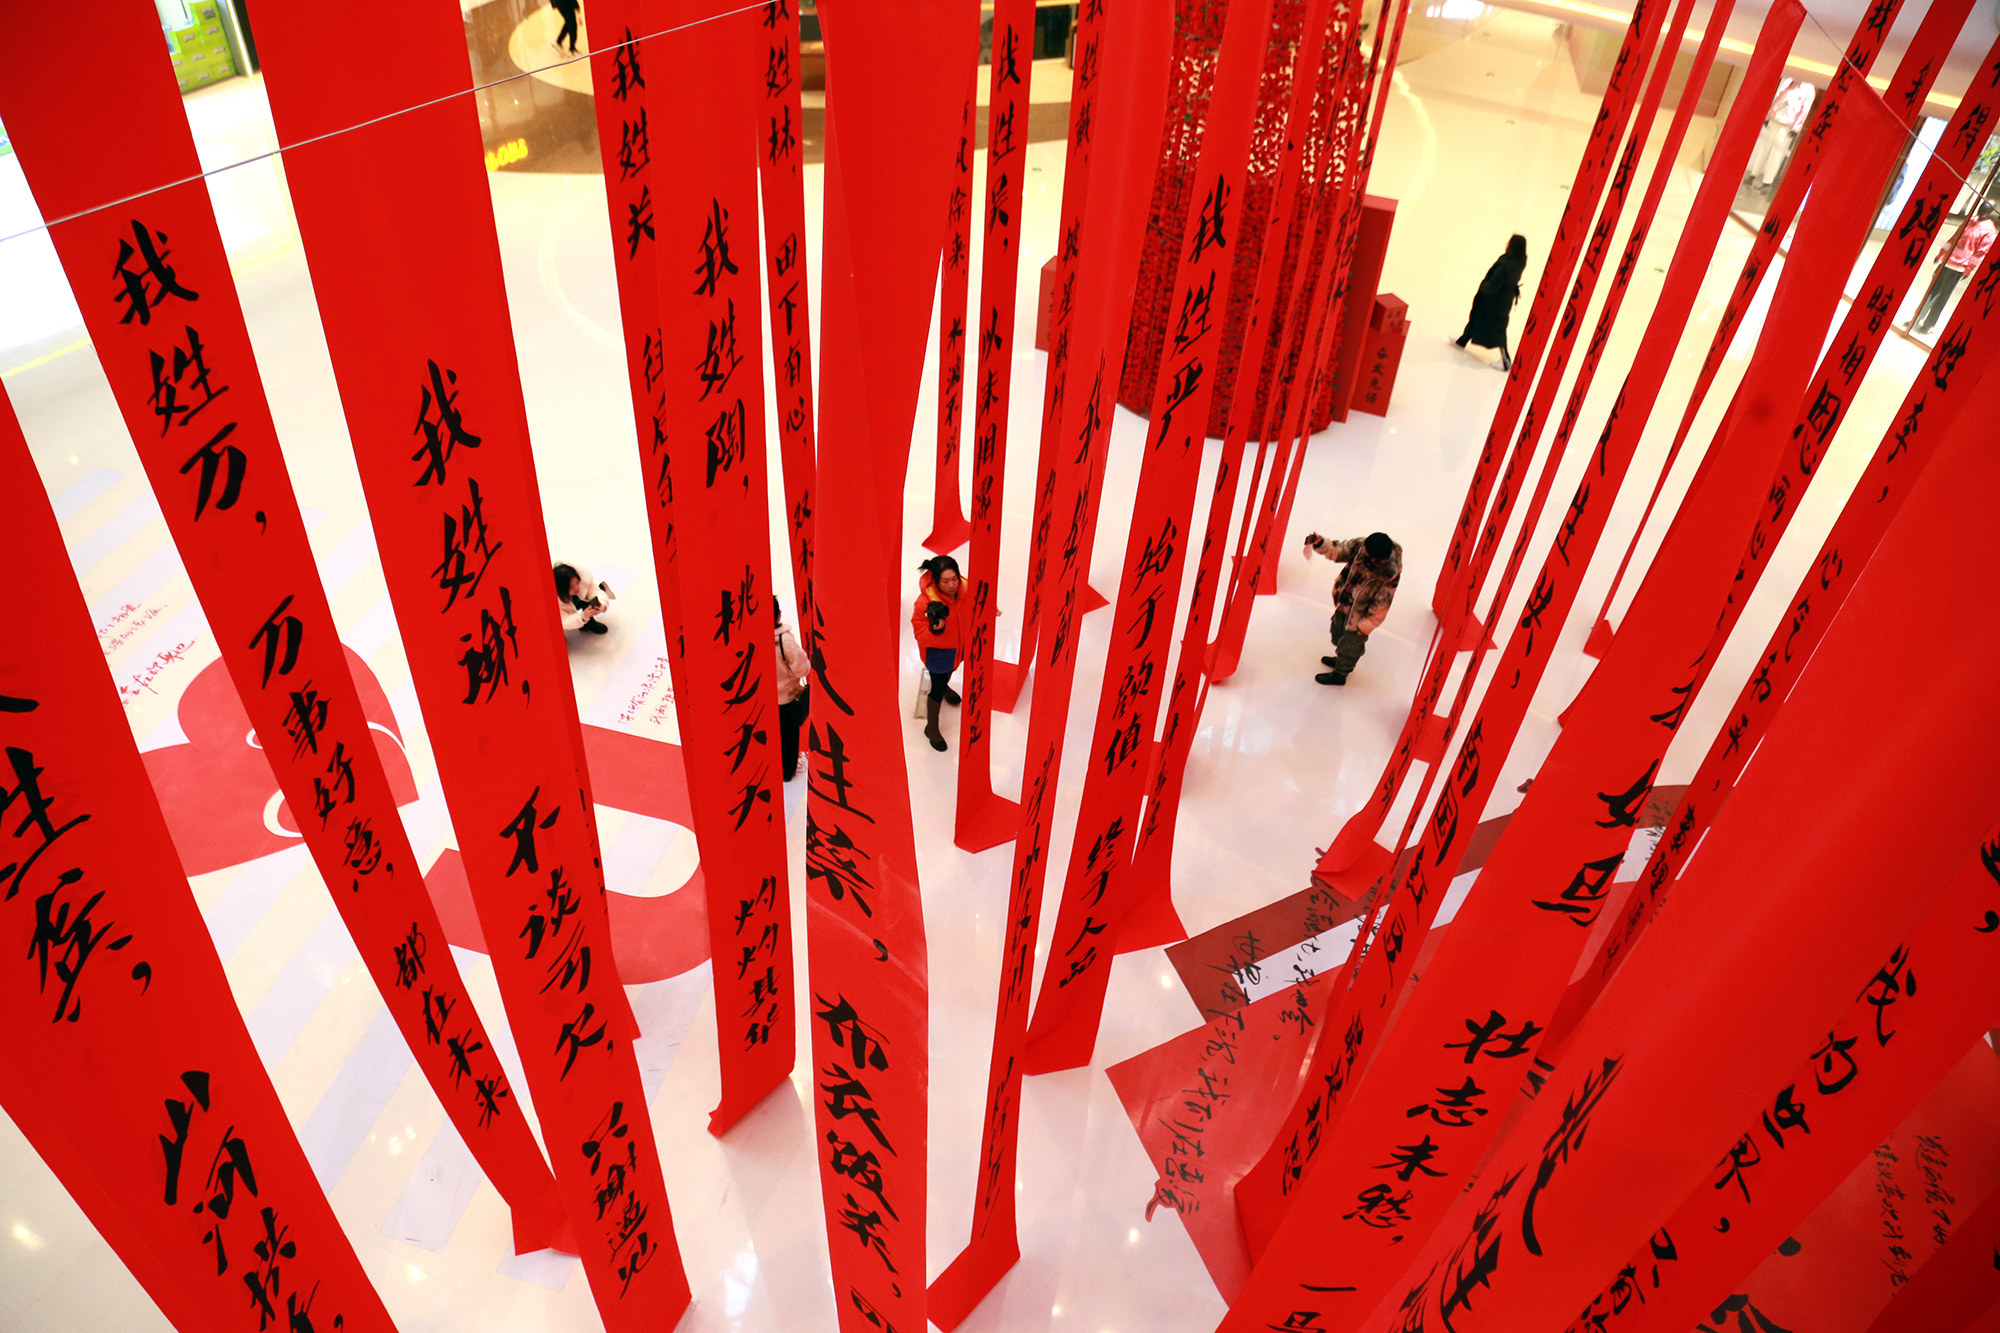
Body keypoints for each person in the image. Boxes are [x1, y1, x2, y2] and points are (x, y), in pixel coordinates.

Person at [1303, 531, 1401, 686]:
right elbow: (1338, 550)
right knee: (1337, 632)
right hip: (1345, 602)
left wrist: (1367, 624)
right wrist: (1320, 543)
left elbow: (1383, 601)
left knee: (1351, 644)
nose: (1364, 553)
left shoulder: (1388, 572)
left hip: (1360, 614)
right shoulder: (1362, 546)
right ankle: (1340, 659)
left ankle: (1340, 674)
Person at [1908, 205, 1997, 336]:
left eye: (1984, 211)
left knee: (1942, 296)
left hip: (1959, 266)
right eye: (1980, 210)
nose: (1980, 213)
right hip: (1947, 260)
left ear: (1989, 213)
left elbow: (1980, 253)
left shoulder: (1989, 231)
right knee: (1932, 291)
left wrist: (1968, 269)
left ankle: (1929, 324)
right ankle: (1917, 318)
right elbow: (1955, 237)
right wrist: (1941, 253)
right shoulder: (1971, 219)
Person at [909, 555, 965, 752]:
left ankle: (945, 686)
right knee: (937, 688)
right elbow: (920, 635)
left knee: (949, 673)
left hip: (959, 646)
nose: (952, 585)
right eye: (946, 581)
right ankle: (931, 728)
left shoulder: (964, 592)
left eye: (954, 579)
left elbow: (975, 605)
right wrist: (937, 628)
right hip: (939, 653)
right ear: (935, 580)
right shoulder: (925, 604)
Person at [1454, 234, 1527, 370]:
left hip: (1495, 303)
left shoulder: (1506, 266)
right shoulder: (1519, 261)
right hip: (1502, 301)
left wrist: (1483, 287)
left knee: (1498, 329)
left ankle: (1506, 362)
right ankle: (1462, 341)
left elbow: (1493, 287)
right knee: (1476, 319)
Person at [775, 603, 809, 781]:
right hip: (786, 698)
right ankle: (786, 772)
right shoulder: (784, 641)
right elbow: (803, 669)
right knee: (788, 738)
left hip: (762, 699)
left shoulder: (750, 637)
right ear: (779, 615)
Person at [554, 561, 614, 636]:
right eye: (571, 587)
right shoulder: (556, 602)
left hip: (576, 601)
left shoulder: (583, 583)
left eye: (576, 582)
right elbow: (564, 621)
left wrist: (602, 604)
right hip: (556, 615)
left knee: (598, 590)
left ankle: (589, 624)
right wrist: (582, 616)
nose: (576, 588)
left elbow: (597, 592)